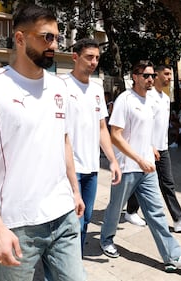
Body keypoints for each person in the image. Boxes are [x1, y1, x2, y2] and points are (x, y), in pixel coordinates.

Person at [0, 4, 86, 280]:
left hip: (63, 217)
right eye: (46, 37)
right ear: (20, 38)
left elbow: (63, 141)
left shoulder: (60, 87)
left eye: (56, 37)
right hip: (17, 225)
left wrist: (74, 190)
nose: (53, 44)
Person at [100, 61, 181, 272]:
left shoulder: (149, 101)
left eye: (152, 75)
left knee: (156, 213)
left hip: (147, 168)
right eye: (146, 75)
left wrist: (151, 148)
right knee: (115, 208)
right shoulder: (124, 100)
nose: (151, 79)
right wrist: (138, 158)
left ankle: (173, 256)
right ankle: (106, 239)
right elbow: (115, 136)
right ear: (134, 76)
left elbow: (144, 130)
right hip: (127, 167)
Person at [61, 38, 121, 253]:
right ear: (75, 57)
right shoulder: (61, 86)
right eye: (89, 57)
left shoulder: (96, 90)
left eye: (97, 58)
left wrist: (113, 160)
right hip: (68, 169)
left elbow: (102, 128)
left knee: (85, 219)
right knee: (70, 222)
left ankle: (75, 263)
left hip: (91, 169)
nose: (94, 62)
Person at [148, 64, 181, 232]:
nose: (169, 77)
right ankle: (127, 211)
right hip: (146, 150)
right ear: (156, 75)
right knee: (132, 183)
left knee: (167, 183)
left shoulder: (164, 98)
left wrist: (163, 145)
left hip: (162, 149)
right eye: (166, 74)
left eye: (170, 74)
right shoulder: (147, 97)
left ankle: (179, 220)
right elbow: (143, 124)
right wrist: (149, 145)